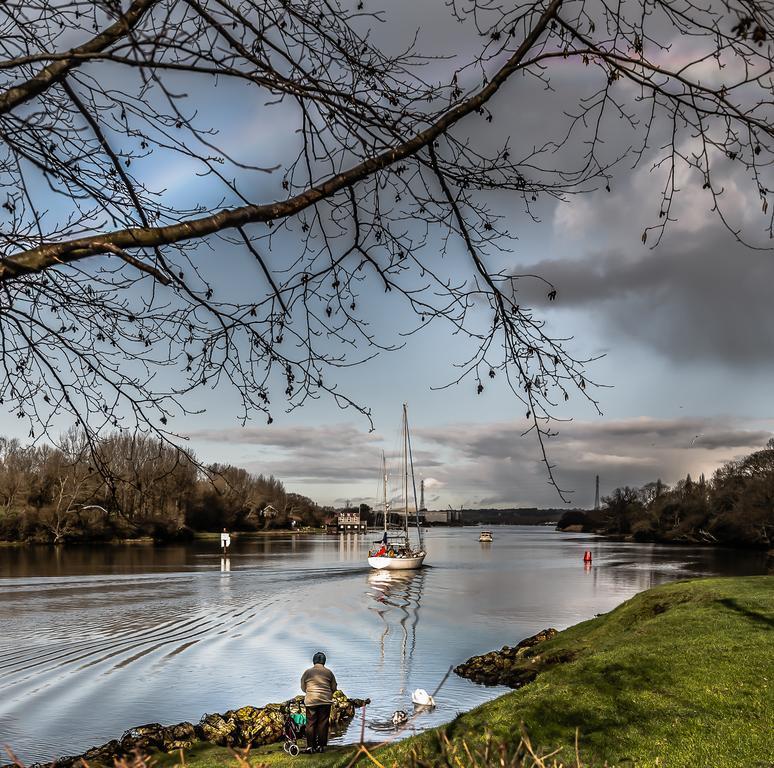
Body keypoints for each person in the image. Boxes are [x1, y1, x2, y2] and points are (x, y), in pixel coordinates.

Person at [300, 651, 337, 753]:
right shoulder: (329, 672)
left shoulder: (307, 672)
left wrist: (310, 692)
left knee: (310, 724)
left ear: (313, 661)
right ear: (324, 661)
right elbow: (334, 688)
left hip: (311, 702)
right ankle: (321, 746)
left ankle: (310, 747)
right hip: (325, 701)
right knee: (323, 724)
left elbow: (303, 688)